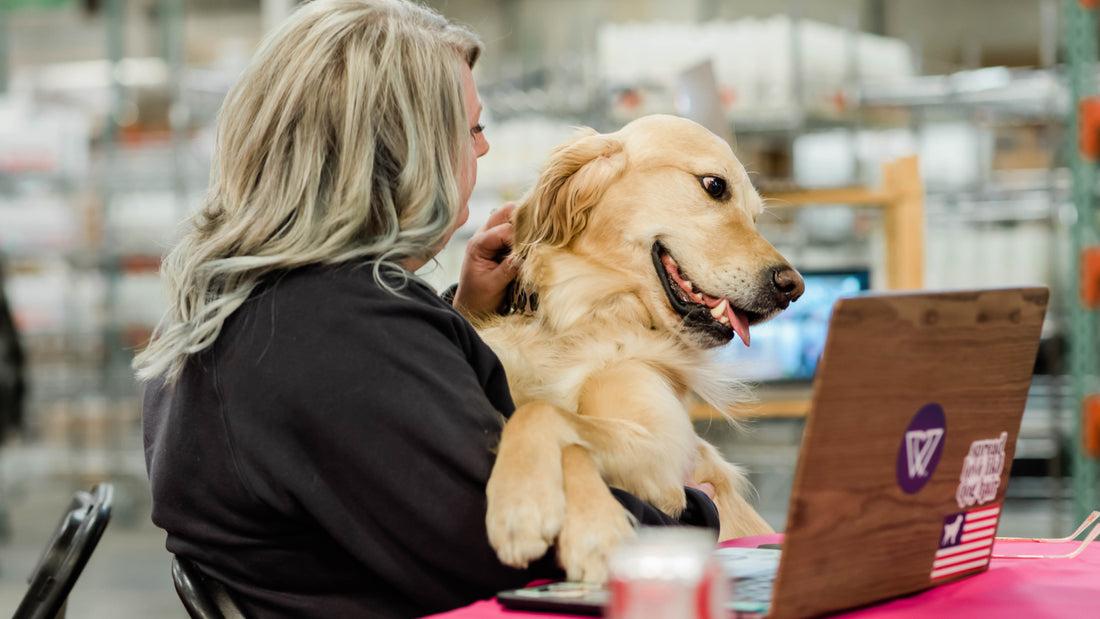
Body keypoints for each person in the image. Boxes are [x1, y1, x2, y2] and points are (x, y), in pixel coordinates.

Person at [136, 1, 719, 617]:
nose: (485, 148)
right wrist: (692, 517)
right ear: (401, 150)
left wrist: (461, 315)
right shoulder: (338, 330)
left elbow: (389, 452)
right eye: (471, 130)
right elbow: (514, 537)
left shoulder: (237, 298)